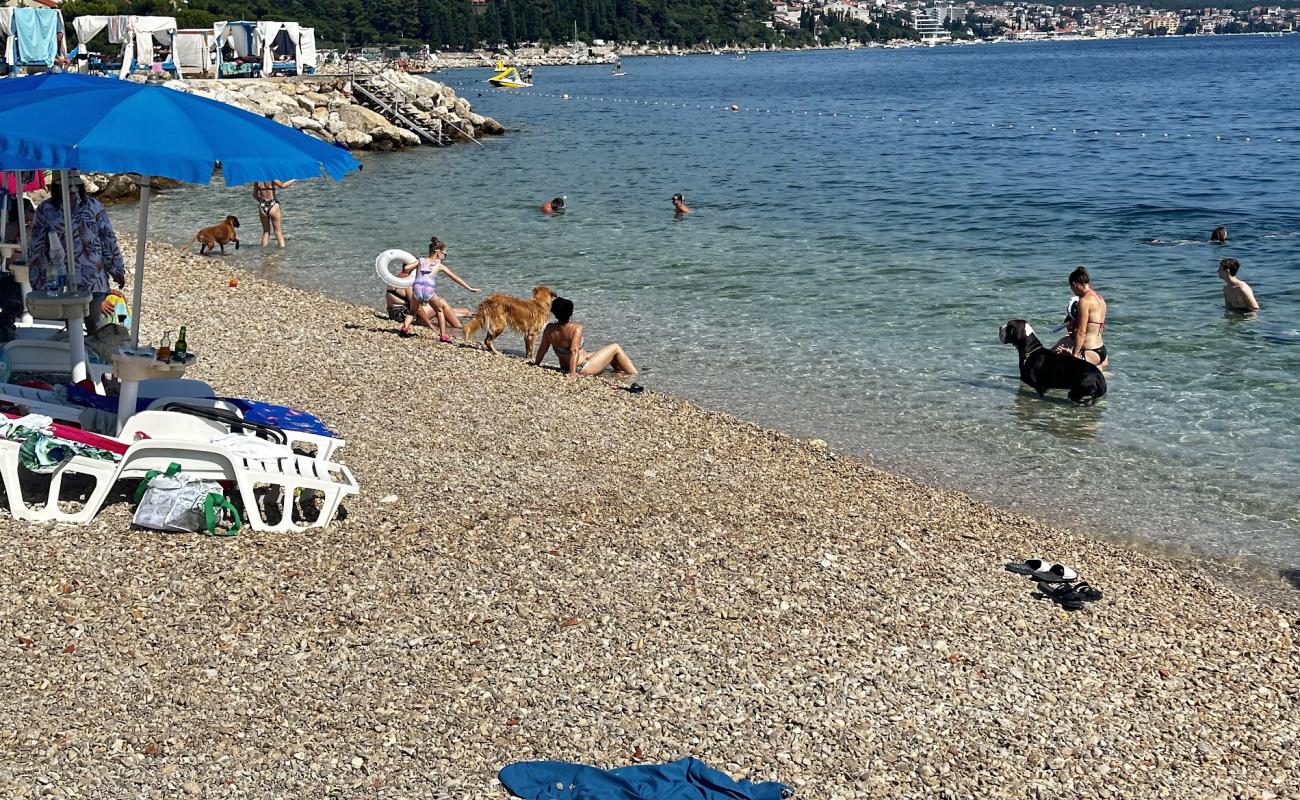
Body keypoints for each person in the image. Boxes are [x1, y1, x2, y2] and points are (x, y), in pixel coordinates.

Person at [26, 172, 126, 335]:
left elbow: (107, 239)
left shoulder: (94, 206)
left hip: (94, 275)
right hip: (60, 276)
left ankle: (93, 356)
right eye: (67, 187)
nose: (72, 190)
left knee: (94, 323)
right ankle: (71, 356)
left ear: (80, 186)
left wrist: (117, 269)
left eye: (75, 186)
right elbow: (37, 246)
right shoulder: (45, 210)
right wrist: (38, 280)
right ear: (57, 188)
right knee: (69, 322)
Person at [395, 237, 479, 341]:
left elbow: (406, 268)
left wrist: (414, 268)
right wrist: (469, 288)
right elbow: (455, 277)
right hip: (428, 291)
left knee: (412, 312)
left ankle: (404, 328)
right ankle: (443, 335)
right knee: (439, 310)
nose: (445, 257)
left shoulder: (420, 261)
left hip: (416, 289)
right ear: (438, 253)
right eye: (445, 254)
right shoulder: (439, 265)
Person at [533, 296, 637, 378]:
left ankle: (619, 373)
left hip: (565, 366)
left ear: (554, 313)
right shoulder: (576, 328)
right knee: (615, 347)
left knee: (605, 354)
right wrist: (572, 373)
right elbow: (574, 350)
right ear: (570, 312)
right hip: (581, 368)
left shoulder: (549, 328)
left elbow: (543, 349)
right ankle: (633, 374)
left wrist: (536, 364)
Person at [1059, 266, 1108, 370]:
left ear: (1075, 284)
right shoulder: (1100, 298)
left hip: (1089, 351)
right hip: (1101, 350)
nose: (1073, 291)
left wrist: (1075, 355)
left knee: (1059, 366)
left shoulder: (1084, 301)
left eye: (1071, 288)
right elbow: (1099, 327)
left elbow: (1082, 331)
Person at [252, 179, 294, 247]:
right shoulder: (272, 179)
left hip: (262, 206)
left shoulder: (257, 181)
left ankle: (264, 253)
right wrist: (293, 180)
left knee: (266, 232)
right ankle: (282, 252)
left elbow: (254, 195)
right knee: (278, 232)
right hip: (273, 205)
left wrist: (261, 201)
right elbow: (282, 186)